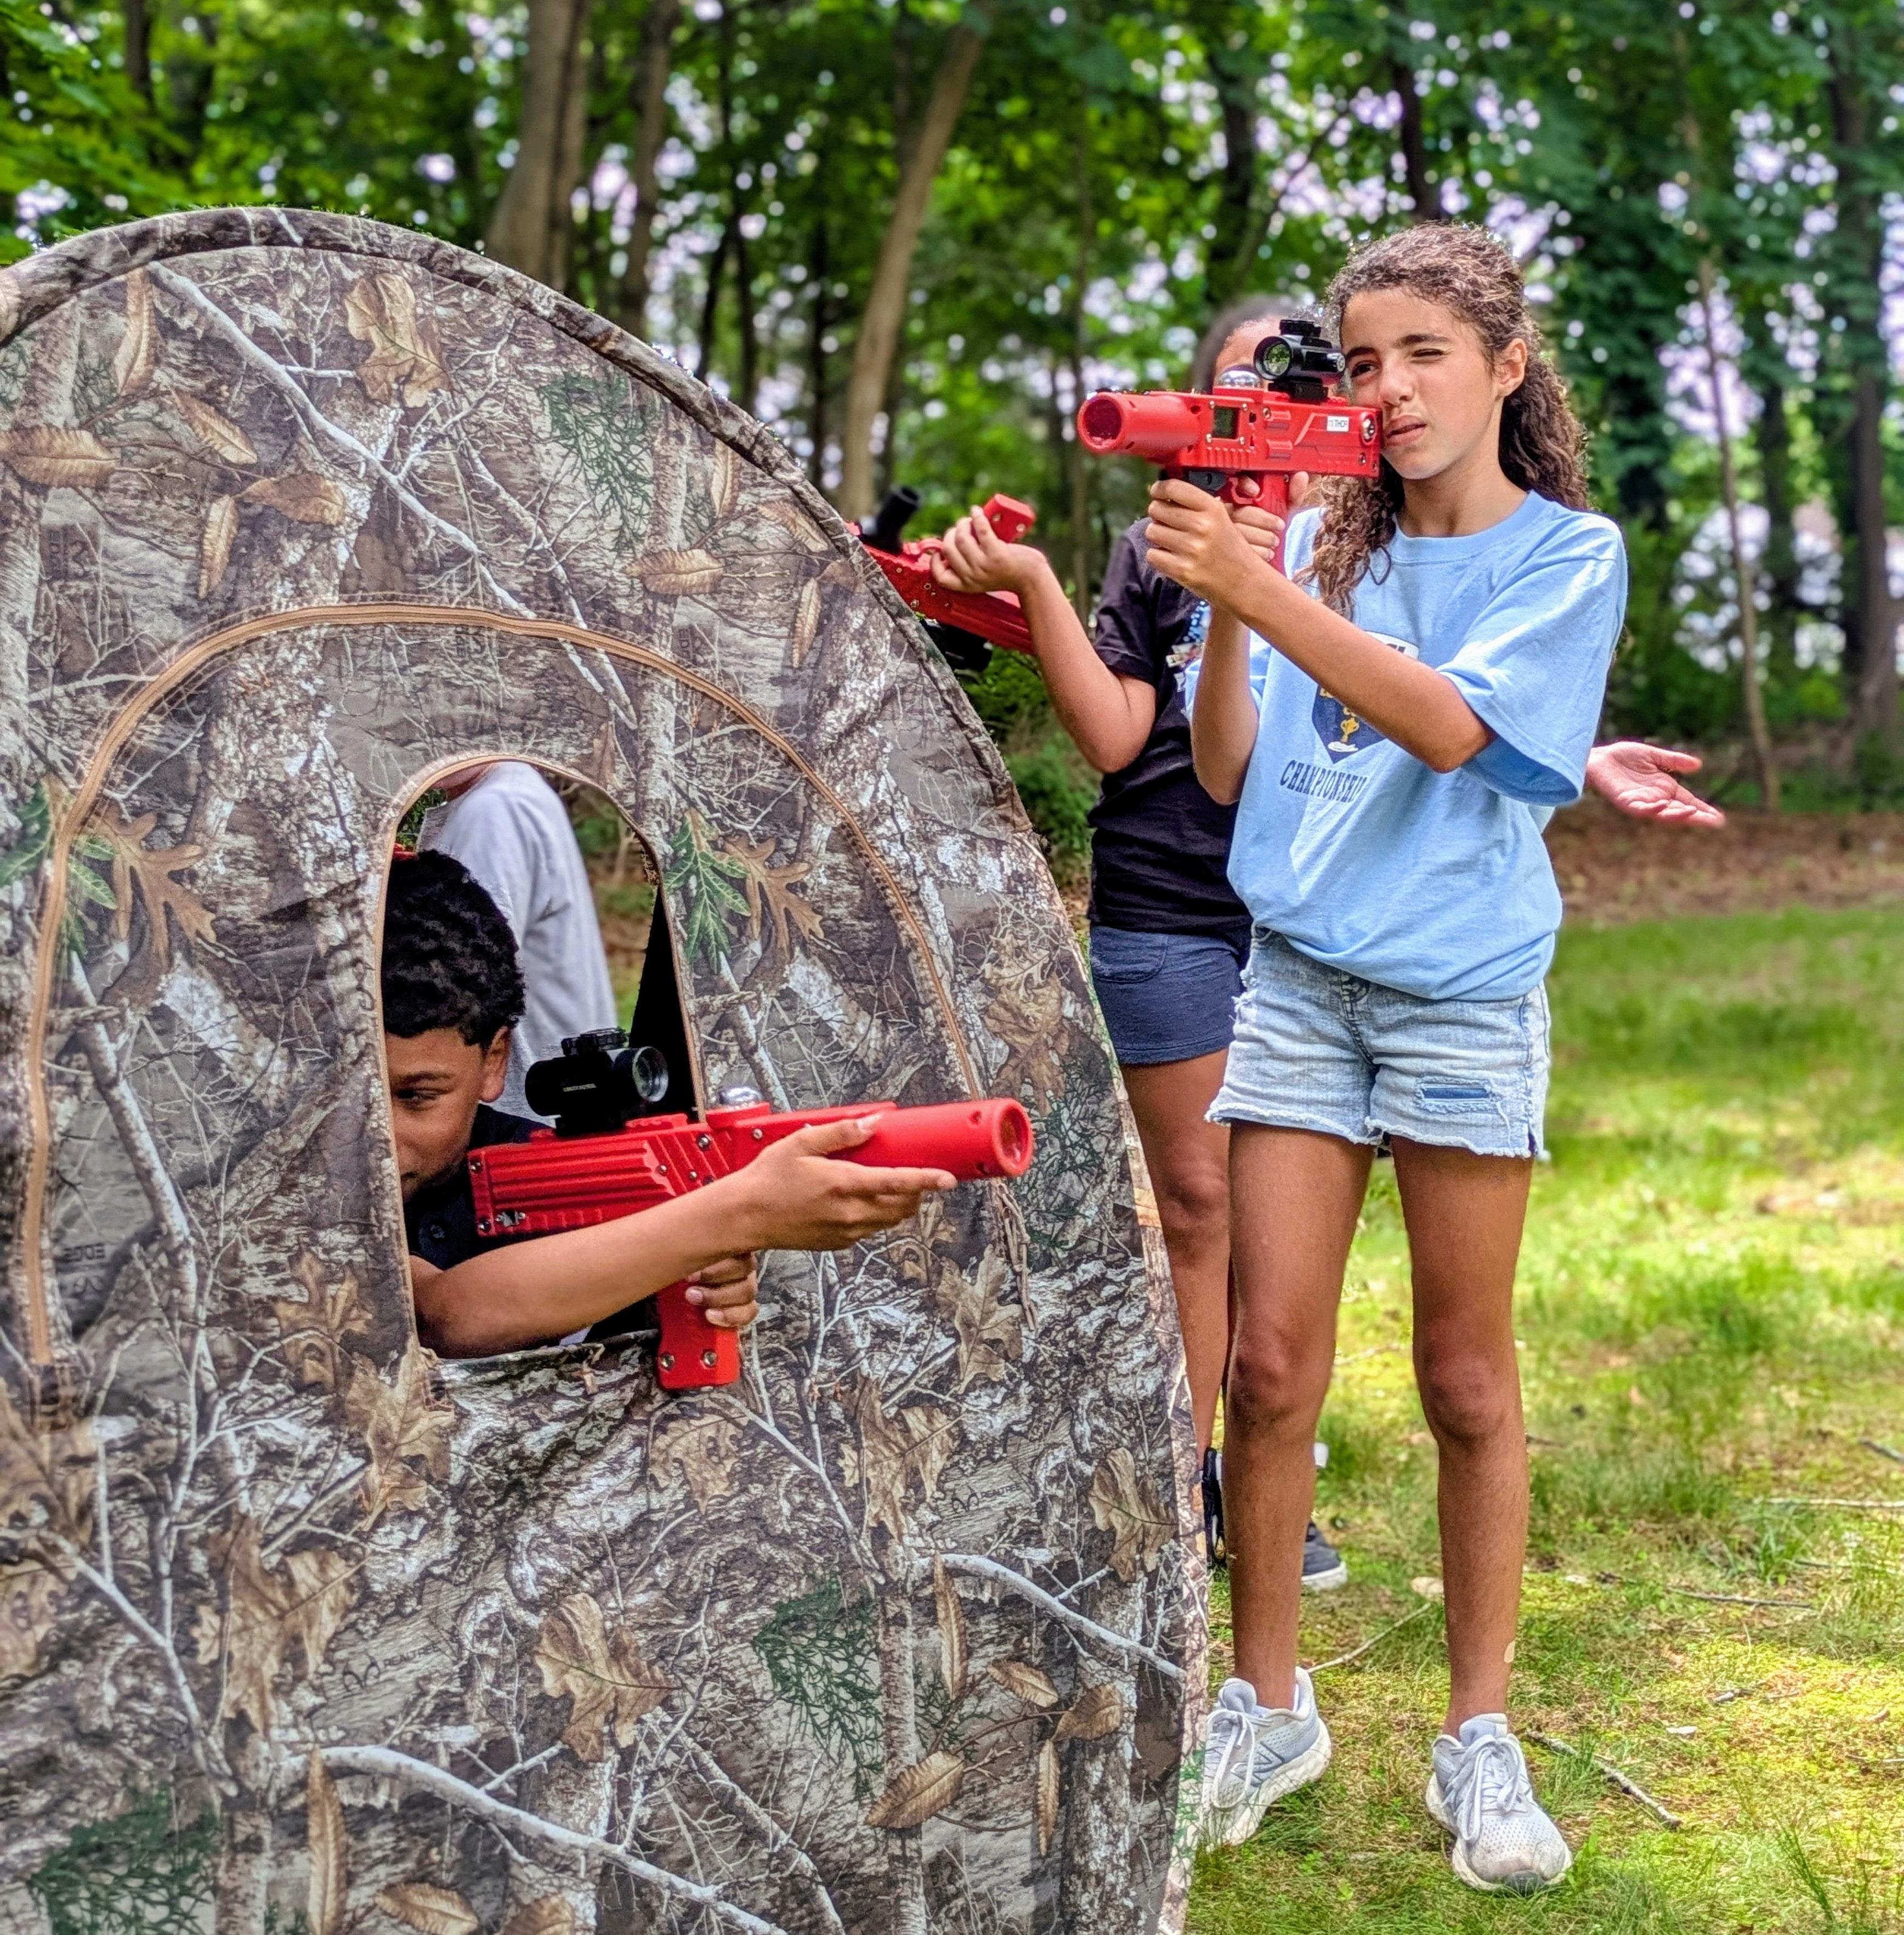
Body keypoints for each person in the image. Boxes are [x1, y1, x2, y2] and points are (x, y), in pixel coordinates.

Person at [927, 305, 1721, 1593]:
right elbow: (1156, 742)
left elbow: (1435, 710)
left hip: (1352, 928)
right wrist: (1071, 589)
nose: (1314, 391)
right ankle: (1201, 1517)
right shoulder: (1181, 543)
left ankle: (1265, 1508)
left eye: (1317, 373)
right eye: (1256, 373)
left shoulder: (1376, 543)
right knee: (1214, 1241)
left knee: (1366, 1306)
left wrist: (1565, 756)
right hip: (1194, 909)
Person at [1141, 222, 1629, 1892]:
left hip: (1456, 998)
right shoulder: (1319, 552)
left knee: (1460, 1379)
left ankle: (1473, 1739)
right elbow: (1216, 777)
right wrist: (1230, 594)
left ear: (1502, 364)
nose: (1388, 388)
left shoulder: (1567, 556)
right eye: (1358, 361)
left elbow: (1453, 732)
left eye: (1422, 351)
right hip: (1296, 985)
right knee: (1267, 1371)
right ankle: (1262, 1705)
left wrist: (1260, 585)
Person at [384, 851, 955, 1357]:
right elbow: (444, 1316)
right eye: (363, 1096)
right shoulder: (313, 1197)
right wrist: (728, 1219)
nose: (381, 1135)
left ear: (493, 1062)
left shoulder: (521, 1163)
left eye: (415, 1097)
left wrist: (678, 1276)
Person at [418, 761, 619, 1120]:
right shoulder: (503, 793)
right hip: (548, 1103)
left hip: (520, 1113)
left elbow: (454, 978)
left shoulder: (493, 809)